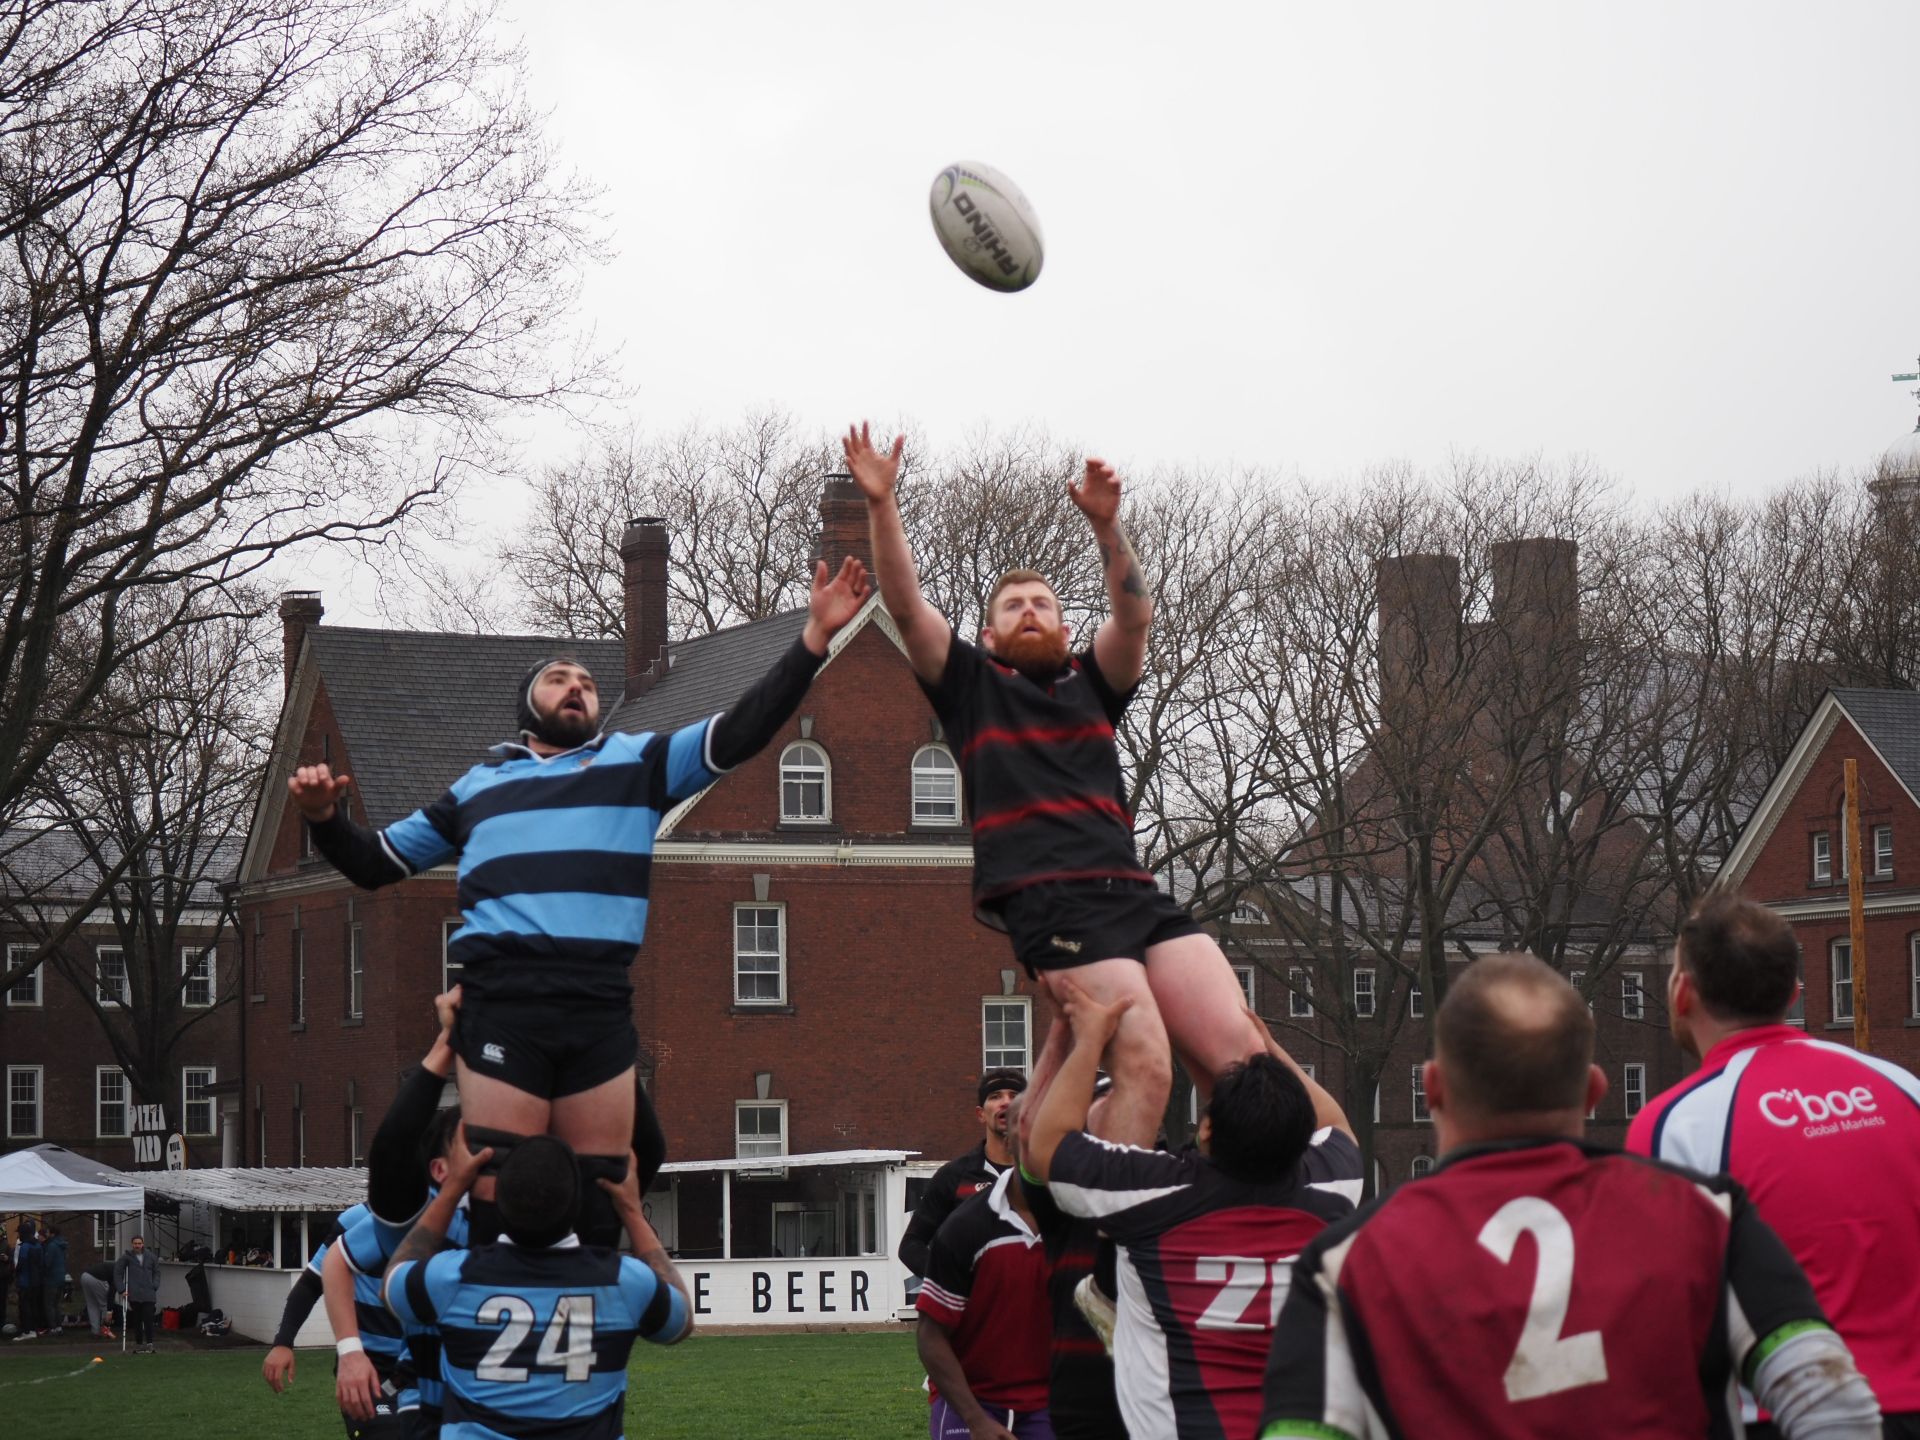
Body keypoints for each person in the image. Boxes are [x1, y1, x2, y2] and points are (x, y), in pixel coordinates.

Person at [290, 557, 870, 1248]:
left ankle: (594, 1340)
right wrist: (324, 819)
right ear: (527, 704)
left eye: (588, 683)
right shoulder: (476, 789)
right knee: (501, 1177)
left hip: (596, 1004)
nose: (578, 687)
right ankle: (489, 1325)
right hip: (506, 1002)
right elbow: (373, 865)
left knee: (604, 1181)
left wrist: (813, 639)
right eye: (559, 679)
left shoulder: (637, 764)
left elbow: (743, 728)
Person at [1259, 953, 1881, 1440]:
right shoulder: (1704, 1215)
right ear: (1594, 1090)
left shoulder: (1347, 1262)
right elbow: (1834, 1403)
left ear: (1434, 1088)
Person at [844, 423, 1260, 1149]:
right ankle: (1104, 1237)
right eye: (1013, 607)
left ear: (1067, 629)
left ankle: (1221, 1192)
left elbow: (1134, 615)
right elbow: (907, 606)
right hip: (1051, 899)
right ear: (992, 635)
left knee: (1244, 1060)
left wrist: (1107, 524)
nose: (1030, 610)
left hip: (1133, 892)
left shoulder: (1092, 684)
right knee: (1147, 1068)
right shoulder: (972, 684)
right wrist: (883, 503)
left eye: (1043, 603)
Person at [1629, 892, 1920, 1438]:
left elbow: (1663, 1320)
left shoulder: (1675, 1124)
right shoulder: (1904, 1087)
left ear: (1682, 992)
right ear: (1793, 993)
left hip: (1782, 1416)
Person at [1026, 984, 1359, 1440]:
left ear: (1205, 1129)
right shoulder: (1332, 1187)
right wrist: (1269, 1051)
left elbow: (1048, 1146)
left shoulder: (1155, 1193)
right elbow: (1336, 1125)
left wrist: (1088, 1042)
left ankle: (1110, 1298)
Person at [385, 1129, 691, 1440]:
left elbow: (394, 1279)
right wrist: (631, 1212)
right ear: (577, 1203)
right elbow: (679, 1322)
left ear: (500, 1199)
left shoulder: (454, 1276)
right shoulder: (624, 1280)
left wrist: (453, 1189)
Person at [916, 1096, 1054, 1440]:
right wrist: (975, 1419)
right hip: (972, 1403)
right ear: (1010, 1141)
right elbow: (930, 1337)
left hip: (1046, 1405)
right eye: (1030, 1134)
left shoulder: (1080, 1222)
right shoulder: (966, 1226)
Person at [899, 1069, 1026, 1279]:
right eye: (995, 1096)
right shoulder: (953, 1176)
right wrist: (951, 1282)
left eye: (1014, 1096)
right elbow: (911, 1246)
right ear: (981, 1114)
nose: (1006, 1102)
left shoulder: (1045, 1175)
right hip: (975, 1310)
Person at [115, 1234, 159, 1354]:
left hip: (149, 1293)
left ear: (143, 1244)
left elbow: (157, 1272)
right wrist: (122, 1289)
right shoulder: (127, 1257)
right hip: (134, 1294)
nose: (137, 1246)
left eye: (139, 1243)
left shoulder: (151, 1257)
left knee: (148, 1319)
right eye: (135, 1243)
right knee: (137, 1320)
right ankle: (139, 1344)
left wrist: (155, 1285)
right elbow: (118, 1273)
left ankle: (150, 1344)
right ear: (132, 1244)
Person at [12, 1224, 41, 1337]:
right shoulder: (38, 1245)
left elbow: (21, 1264)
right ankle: (33, 1329)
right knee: (33, 1306)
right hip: (36, 1281)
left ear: (23, 1233)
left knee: (25, 1307)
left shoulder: (25, 1247)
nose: (18, 1235)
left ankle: (27, 1331)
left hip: (25, 1281)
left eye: (19, 1232)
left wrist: (16, 1272)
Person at [39, 1224, 67, 1334]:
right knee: (56, 1304)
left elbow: (47, 1263)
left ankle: (53, 1327)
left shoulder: (51, 1246)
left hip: (51, 1279)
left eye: (48, 1232)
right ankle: (59, 1326)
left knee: (49, 1304)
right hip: (60, 1277)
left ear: (52, 1234)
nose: (46, 1234)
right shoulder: (61, 1245)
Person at [81, 1259, 118, 1339]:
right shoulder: (120, 1272)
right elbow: (111, 1292)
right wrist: (109, 1310)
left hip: (84, 1276)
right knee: (104, 1305)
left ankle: (95, 1331)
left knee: (92, 1305)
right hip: (97, 1278)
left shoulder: (112, 1265)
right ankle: (105, 1330)